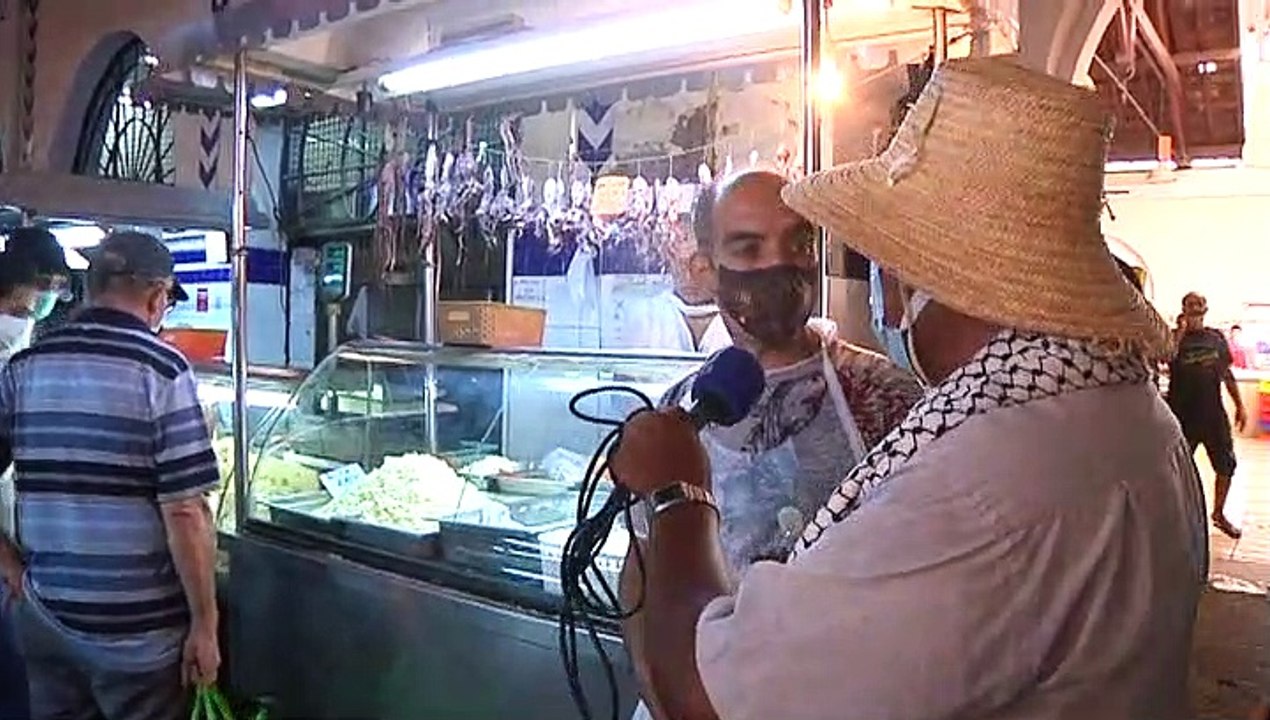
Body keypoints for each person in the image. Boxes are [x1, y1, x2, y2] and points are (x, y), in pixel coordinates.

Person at [608, 56, 1207, 720]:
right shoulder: (1131, 418)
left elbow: (711, 696)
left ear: (943, 278)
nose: (891, 303)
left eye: (893, 267)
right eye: (746, 249)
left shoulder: (978, 484)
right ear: (707, 263)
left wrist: (678, 496)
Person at [620, 169, 923, 720]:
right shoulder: (677, 415)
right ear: (709, 269)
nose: (778, 264)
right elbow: (642, 575)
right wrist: (663, 696)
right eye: (748, 247)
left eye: (797, 242)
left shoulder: (888, 396)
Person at [0, 231, 220, 720]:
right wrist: (206, 623)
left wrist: (12, 569)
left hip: (47, 615)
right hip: (139, 637)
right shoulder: (163, 369)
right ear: (158, 295)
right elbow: (185, 510)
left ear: (91, 286)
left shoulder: (25, 365)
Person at [1169, 291, 1247, 539]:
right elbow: (1165, 356)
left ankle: (1218, 514)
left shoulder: (1215, 338)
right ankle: (1180, 519)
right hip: (1182, 416)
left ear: (1205, 308)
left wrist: (1240, 405)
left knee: (1226, 465)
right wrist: (1180, 332)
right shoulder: (1173, 338)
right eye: (1189, 304)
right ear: (1183, 309)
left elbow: (1226, 374)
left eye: (1199, 304)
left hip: (1213, 414)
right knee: (1178, 470)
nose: (1194, 308)